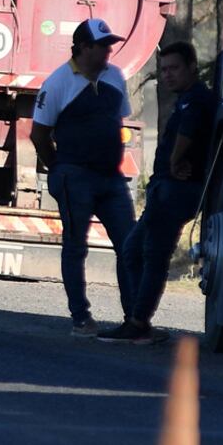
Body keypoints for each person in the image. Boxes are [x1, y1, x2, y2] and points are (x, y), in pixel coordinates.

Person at [98, 41, 216, 345]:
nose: (168, 75)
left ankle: (138, 322)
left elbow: (188, 132)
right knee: (138, 251)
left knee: (148, 253)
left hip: (175, 191)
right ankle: (138, 320)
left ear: (192, 66)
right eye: (163, 70)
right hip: (167, 189)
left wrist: (176, 161)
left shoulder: (197, 100)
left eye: (174, 68)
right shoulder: (187, 99)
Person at [31, 18, 137, 337]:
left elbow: (116, 121)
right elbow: (39, 134)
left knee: (130, 245)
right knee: (76, 246)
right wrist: (60, 168)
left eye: (109, 45)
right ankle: (81, 317)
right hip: (74, 176)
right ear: (82, 47)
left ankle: (134, 319)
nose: (108, 51)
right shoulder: (58, 82)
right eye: (101, 45)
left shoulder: (116, 77)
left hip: (111, 179)